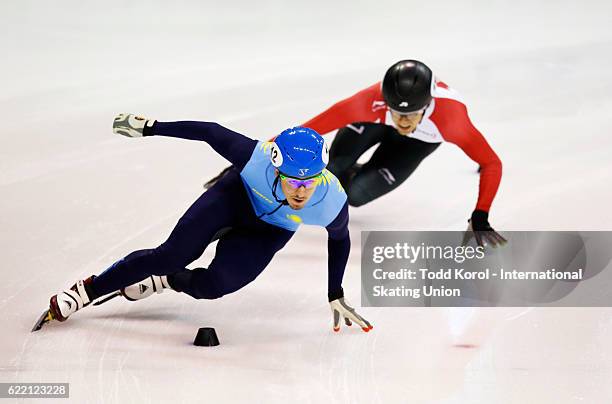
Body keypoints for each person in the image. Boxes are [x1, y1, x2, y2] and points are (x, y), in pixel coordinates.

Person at [42, 114, 372, 333]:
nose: (301, 192)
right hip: (234, 198)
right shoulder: (256, 158)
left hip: (268, 233)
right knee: (170, 254)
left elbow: (340, 239)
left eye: (309, 182)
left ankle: (168, 281)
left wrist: (334, 292)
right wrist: (152, 126)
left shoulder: (331, 200)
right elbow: (209, 132)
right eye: (292, 182)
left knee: (215, 286)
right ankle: (88, 289)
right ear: (275, 168)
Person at [302, 60, 506, 247]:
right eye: (398, 113)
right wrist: (271, 150)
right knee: (332, 171)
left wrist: (480, 215)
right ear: (386, 102)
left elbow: (491, 163)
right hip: (376, 122)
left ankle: (355, 171)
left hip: (418, 142)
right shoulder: (371, 101)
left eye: (412, 115)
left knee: (354, 196)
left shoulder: (451, 120)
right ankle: (346, 168)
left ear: (426, 107)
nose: (404, 122)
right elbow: (306, 130)